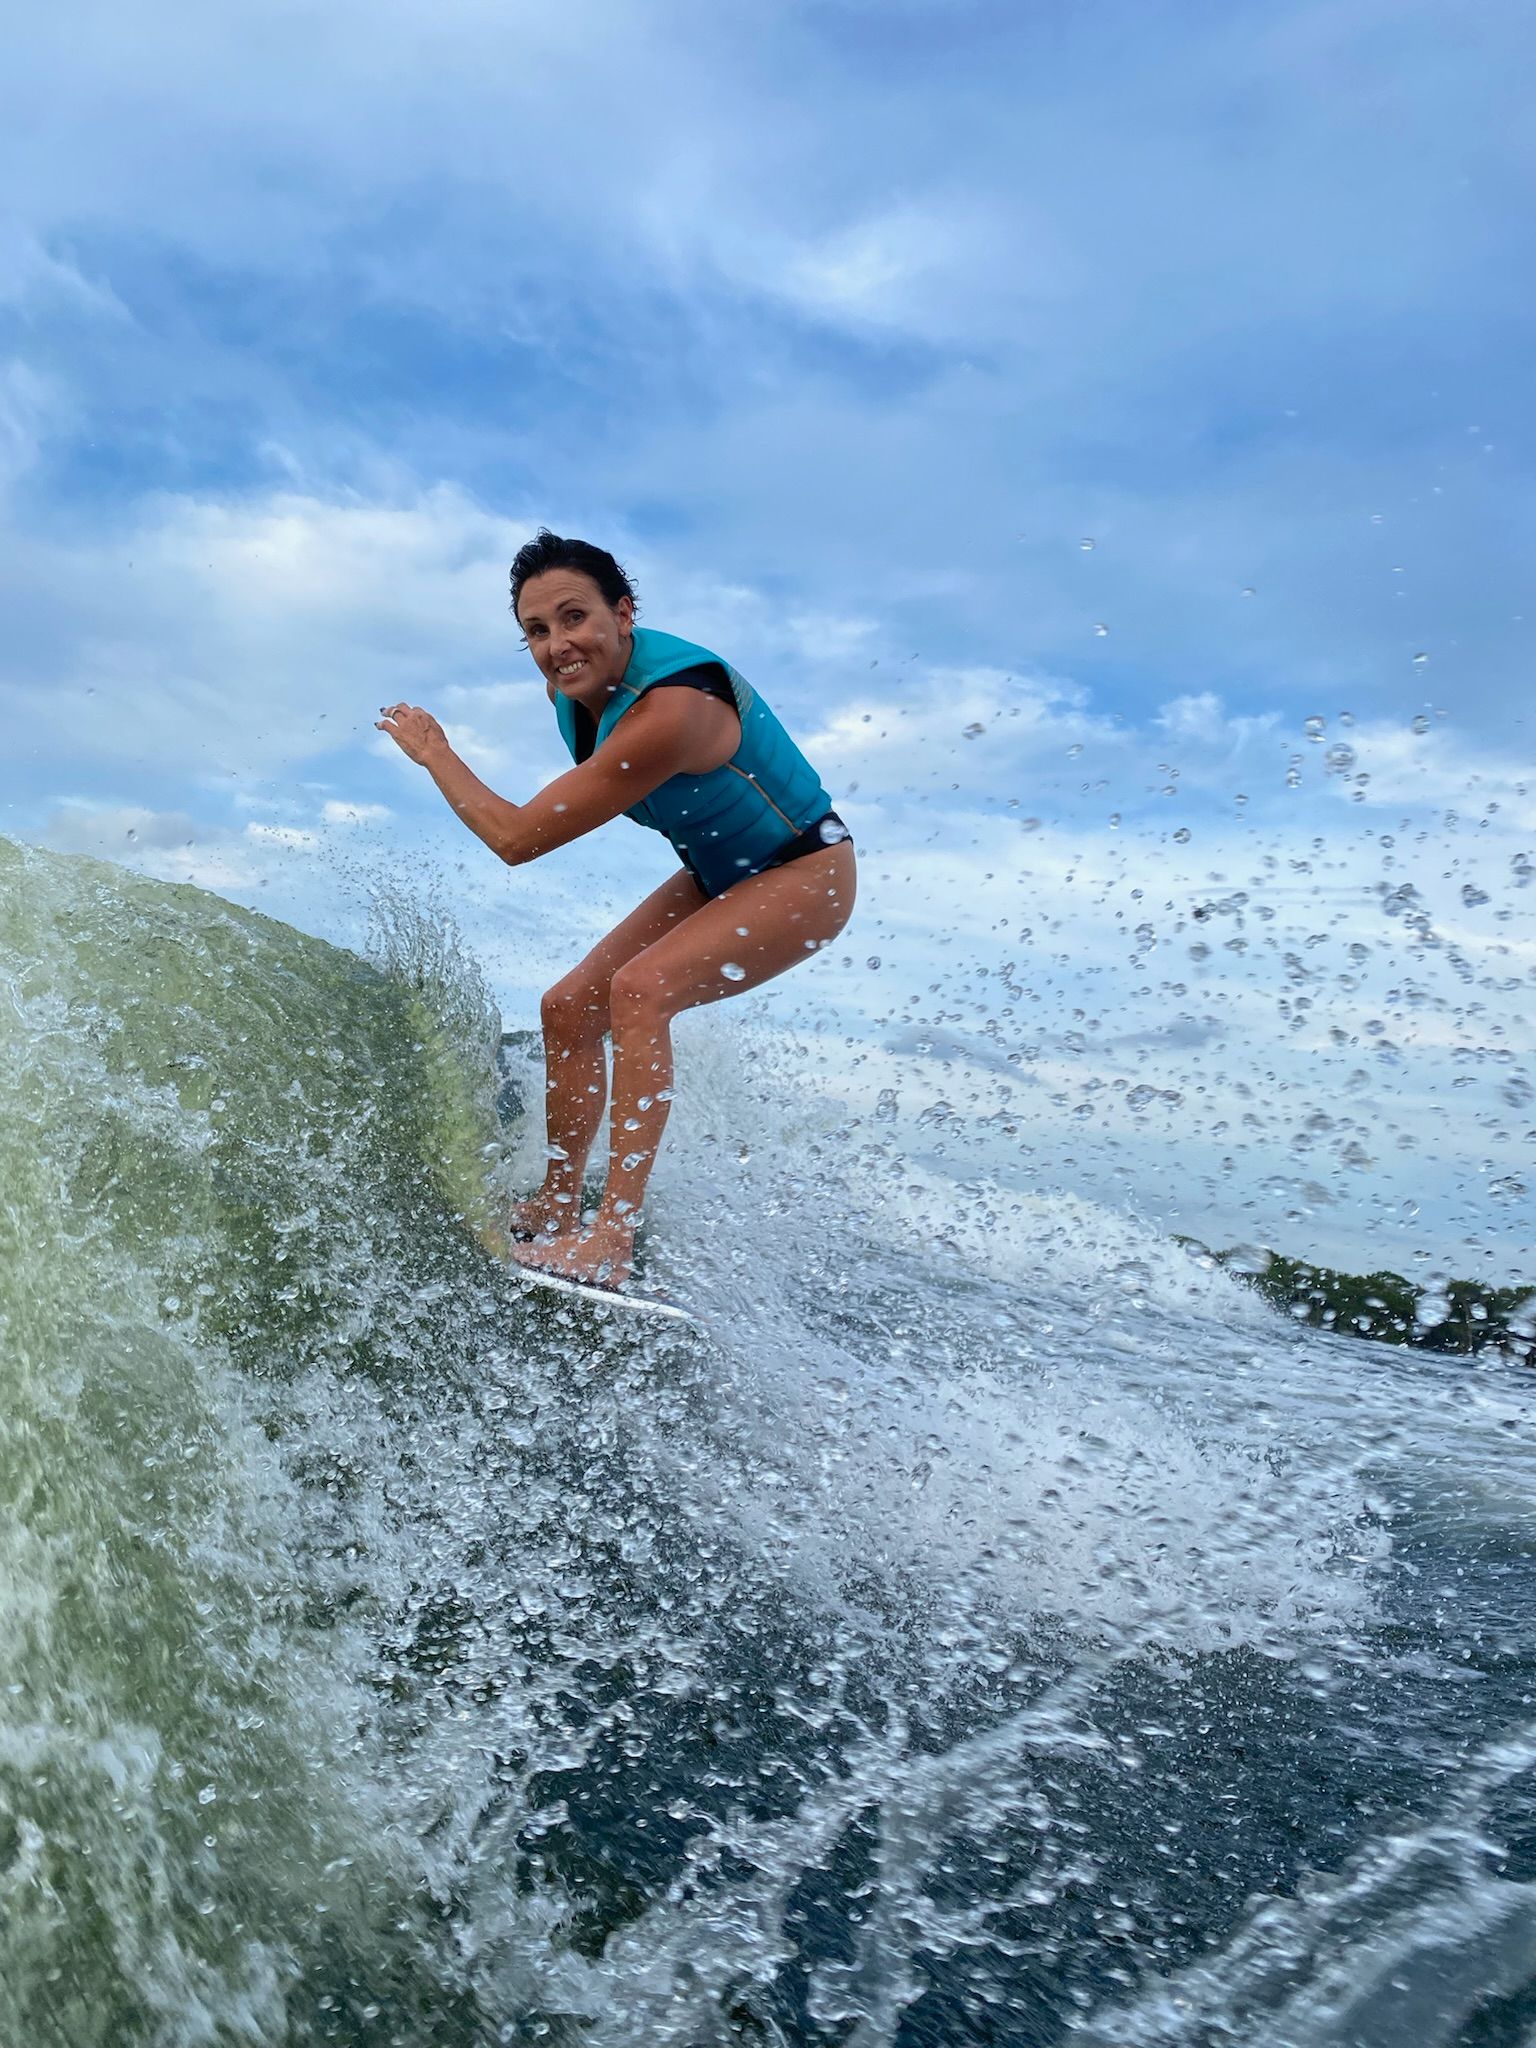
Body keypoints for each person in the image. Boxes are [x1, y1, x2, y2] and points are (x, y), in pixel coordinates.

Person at [376, 530, 856, 1289]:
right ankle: (559, 1203)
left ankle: (611, 1240)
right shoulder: (576, 686)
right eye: (536, 631)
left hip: (805, 870)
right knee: (568, 1007)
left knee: (640, 992)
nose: (558, 645)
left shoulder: (673, 711)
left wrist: (435, 749)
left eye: (575, 618)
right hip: (714, 872)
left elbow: (516, 838)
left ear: (624, 612)